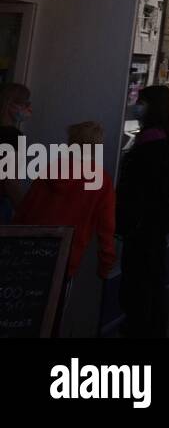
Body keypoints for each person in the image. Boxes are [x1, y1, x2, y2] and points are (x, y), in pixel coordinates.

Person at [15, 120, 116, 334]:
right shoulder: (102, 182)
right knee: (51, 319)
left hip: (27, 253)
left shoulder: (50, 171)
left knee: (19, 315)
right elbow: (106, 230)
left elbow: (26, 210)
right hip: (65, 260)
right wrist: (106, 266)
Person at [116, 85, 169, 339]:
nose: (137, 106)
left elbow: (143, 189)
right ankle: (147, 327)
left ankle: (141, 329)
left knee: (141, 283)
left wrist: (129, 221)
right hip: (150, 225)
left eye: (142, 102)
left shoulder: (152, 145)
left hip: (144, 227)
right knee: (150, 281)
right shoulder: (161, 139)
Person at [0, 82, 33, 223]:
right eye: (25, 104)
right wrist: (27, 213)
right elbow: (10, 182)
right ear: (11, 105)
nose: (29, 109)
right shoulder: (14, 136)